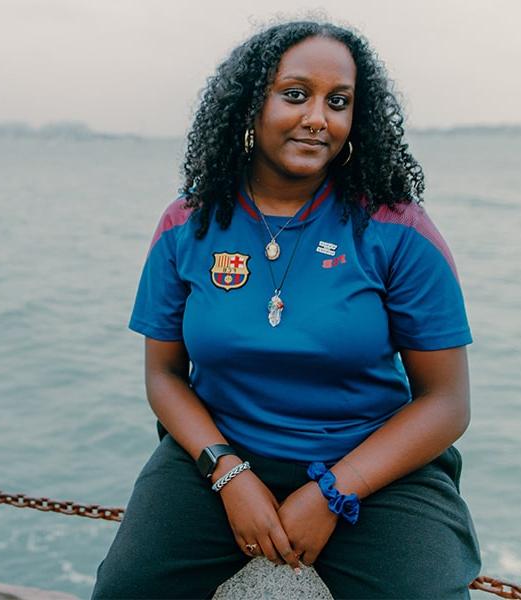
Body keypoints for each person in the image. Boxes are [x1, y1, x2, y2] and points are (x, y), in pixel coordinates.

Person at [92, 19, 481, 600]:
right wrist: (228, 473)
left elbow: (446, 403)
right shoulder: (187, 225)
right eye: (295, 95)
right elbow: (164, 375)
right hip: (218, 454)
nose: (318, 118)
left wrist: (333, 491)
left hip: (373, 467)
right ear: (250, 104)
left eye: (339, 101)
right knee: (126, 591)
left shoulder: (398, 230)